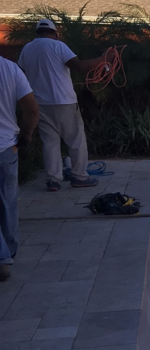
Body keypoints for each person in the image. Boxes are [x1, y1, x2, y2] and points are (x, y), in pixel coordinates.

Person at [17, 19, 106, 192]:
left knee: (49, 142)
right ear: (54, 33)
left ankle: (53, 180)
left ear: (37, 32)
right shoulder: (58, 46)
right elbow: (79, 66)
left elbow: (20, 74)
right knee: (76, 140)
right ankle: (80, 176)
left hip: (40, 104)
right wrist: (103, 59)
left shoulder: (27, 49)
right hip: (64, 101)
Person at [0, 55, 39, 281]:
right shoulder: (9, 68)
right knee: (7, 201)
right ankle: (8, 253)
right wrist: (26, 135)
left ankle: (3, 258)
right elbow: (32, 109)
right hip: (6, 147)